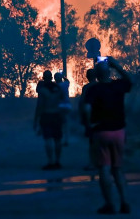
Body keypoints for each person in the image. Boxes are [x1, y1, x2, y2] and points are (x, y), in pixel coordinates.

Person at [84, 38, 133, 214]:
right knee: (118, 169)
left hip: (101, 131)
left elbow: (87, 108)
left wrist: (89, 125)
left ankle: (110, 204)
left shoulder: (93, 90)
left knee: (104, 168)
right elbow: (131, 80)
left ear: (96, 75)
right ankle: (125, 202)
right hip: (119, 131)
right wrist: (116, 65)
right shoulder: (118, 86)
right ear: (109, 73)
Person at [33, 70, 65, 170]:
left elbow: (40, 106)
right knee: (57, 140)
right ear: (51, 78)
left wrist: (36, 119)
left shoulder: (43, 90)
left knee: (48, 139)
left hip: (46, 115)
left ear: (43, 78)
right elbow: (62, 103)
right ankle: (58, 161)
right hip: (57, 115)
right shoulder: (58, 88)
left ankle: (50, 162)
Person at [78, 68, 97, 170]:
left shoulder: (86, 88)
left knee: (92, 141)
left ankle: (93, 163)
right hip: (103, 117)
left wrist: (82, 116)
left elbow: (83, 103)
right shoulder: (101, 85)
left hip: (91, 117)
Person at [54, 72, 72, 146]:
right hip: (67, 105)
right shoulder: (65, 84)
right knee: (66, 123)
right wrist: (63, 76)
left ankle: (60, 139)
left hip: (59, 106)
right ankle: (66, 139)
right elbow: (67, 80)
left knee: (59, 124)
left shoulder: (55, 86)